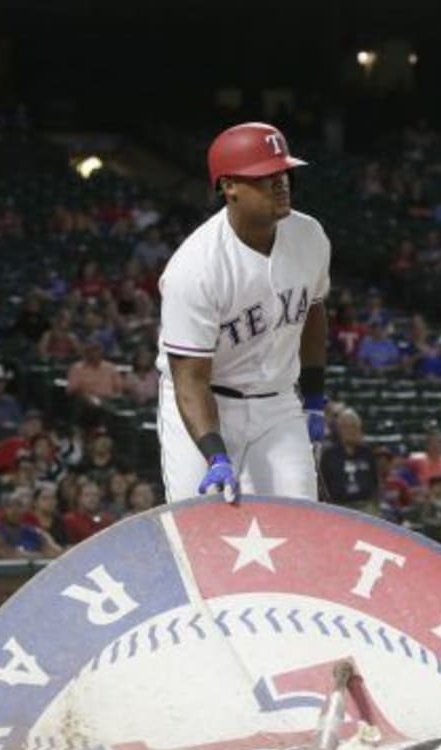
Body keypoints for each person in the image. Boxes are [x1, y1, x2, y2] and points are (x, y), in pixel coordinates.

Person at [156, 122, 329, 503]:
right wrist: (216, 454)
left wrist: (314, 400)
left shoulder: (310, 236)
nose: (281, 182)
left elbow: (314, 314)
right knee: (200, 527)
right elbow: (190, 380)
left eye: (283, 171)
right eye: (265, 175)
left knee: (299, 523)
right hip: (207, 402)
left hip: (279, 402)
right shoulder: (195, 268)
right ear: (228, 186)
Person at [318, 408, 378, 513]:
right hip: (338, 507)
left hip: (365, 506)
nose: (350, 430)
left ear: (359, 429)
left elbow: (376, 482)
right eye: (346, 427)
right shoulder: (329, 454)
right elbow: (322, 485)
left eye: (353, 426)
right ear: (339, 429)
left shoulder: (367, 453)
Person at [0, 489, 61, 560]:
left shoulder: (34, 531)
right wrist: (39, 555)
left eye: (19, 506)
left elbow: (54, 552)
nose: (15, 510)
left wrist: (30, 555)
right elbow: (6, 556)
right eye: (10, 506)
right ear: (2, 510)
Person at [61, 478, 116, 544]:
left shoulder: (107, 519)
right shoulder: (69, 520)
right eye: (87, 495)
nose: (92, 499)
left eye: (95, 495)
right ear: (78, 498)